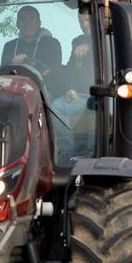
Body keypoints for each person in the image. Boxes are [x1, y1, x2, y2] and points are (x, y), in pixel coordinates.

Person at [49, 11, 94, 163]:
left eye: (88, 20)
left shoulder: (111, 38)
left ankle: (90, 156)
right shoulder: (77, 41)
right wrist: (71, 88)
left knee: (94, 106)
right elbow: (70, 69)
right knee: (55, 107)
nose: (84, 25)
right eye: (81, 21)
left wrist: (91, 44)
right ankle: (69, 154)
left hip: (107, 94)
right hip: (81, 95)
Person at [0, 5, 63, 83]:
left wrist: (29, 63)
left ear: (39, 23)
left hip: (43, 91)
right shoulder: (9, 46)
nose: (27, 23)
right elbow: (3, 73)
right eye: (23, 19)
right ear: (17, 24)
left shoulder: (52, 44)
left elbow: (54, 72)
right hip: (13, 89)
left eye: (31, 19)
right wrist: (13, 63)